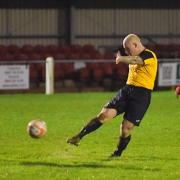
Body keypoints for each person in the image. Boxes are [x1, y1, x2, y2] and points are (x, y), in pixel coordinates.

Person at [67, 34, 158, 157]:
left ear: (135, 45)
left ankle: (118, 153)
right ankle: (79, 136)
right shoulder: (133, 55)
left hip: (142, 95)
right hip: (127, 90)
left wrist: (121, 59)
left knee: (126, 128)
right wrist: (123, 57)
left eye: (127, 49)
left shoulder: (149, 55)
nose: (126, 51)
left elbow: (136, 60)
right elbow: (132, 59)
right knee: (104, 115)